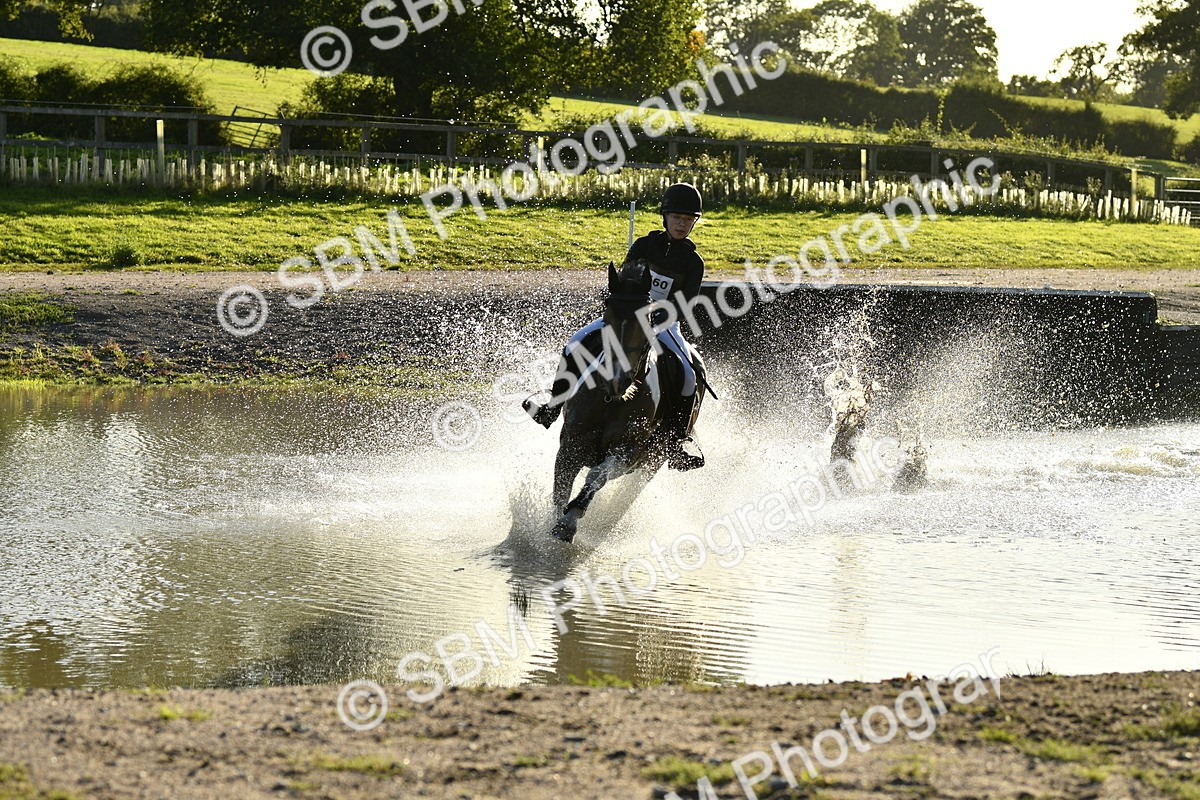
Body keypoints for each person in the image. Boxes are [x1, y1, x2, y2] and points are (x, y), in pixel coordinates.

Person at [522, 182, 707, 471]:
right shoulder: (644, 245)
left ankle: (677, 441)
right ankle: (553, 404)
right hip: (627, 317)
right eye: (677, 218)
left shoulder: (693, 262)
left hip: (664, 324)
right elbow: (623, 282)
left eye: (688, 220)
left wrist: (657, 320)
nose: (682, 224)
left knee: (688, 373)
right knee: (575, 342)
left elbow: (686, 303)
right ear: (665, 216)